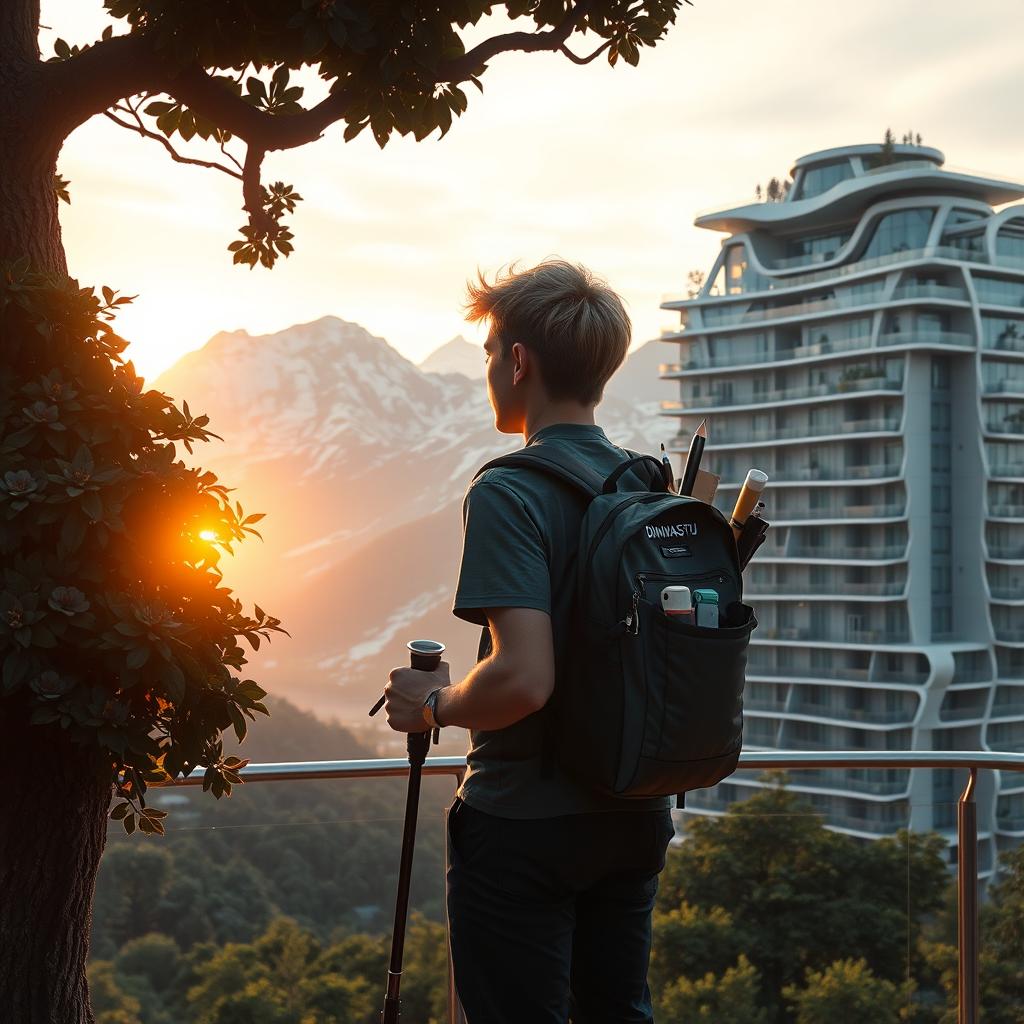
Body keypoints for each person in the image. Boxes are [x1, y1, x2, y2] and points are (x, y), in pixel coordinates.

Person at [382, 259, 674, 1023]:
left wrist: (433, 706)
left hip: (525, 824)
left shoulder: (510, 490)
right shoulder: (647, 484)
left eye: (487, 353)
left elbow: (524, 680)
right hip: (633, 812)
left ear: (519, 362)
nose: (487, 370)